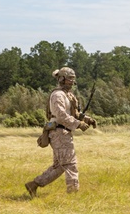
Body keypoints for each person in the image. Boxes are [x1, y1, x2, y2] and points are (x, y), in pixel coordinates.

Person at [25, 66, 96, 197]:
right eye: (69, 79)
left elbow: (74, 113)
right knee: (70, 164)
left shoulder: (67, 95)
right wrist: (78, 124)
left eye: (73, 80)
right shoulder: (57, 95)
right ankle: (73, 195)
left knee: (59, 166)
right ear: (61, 79)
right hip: (59, 132)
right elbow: (61, 115)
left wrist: (87, 119)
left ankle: (33, 185)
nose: (72, 82)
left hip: (63, 132)